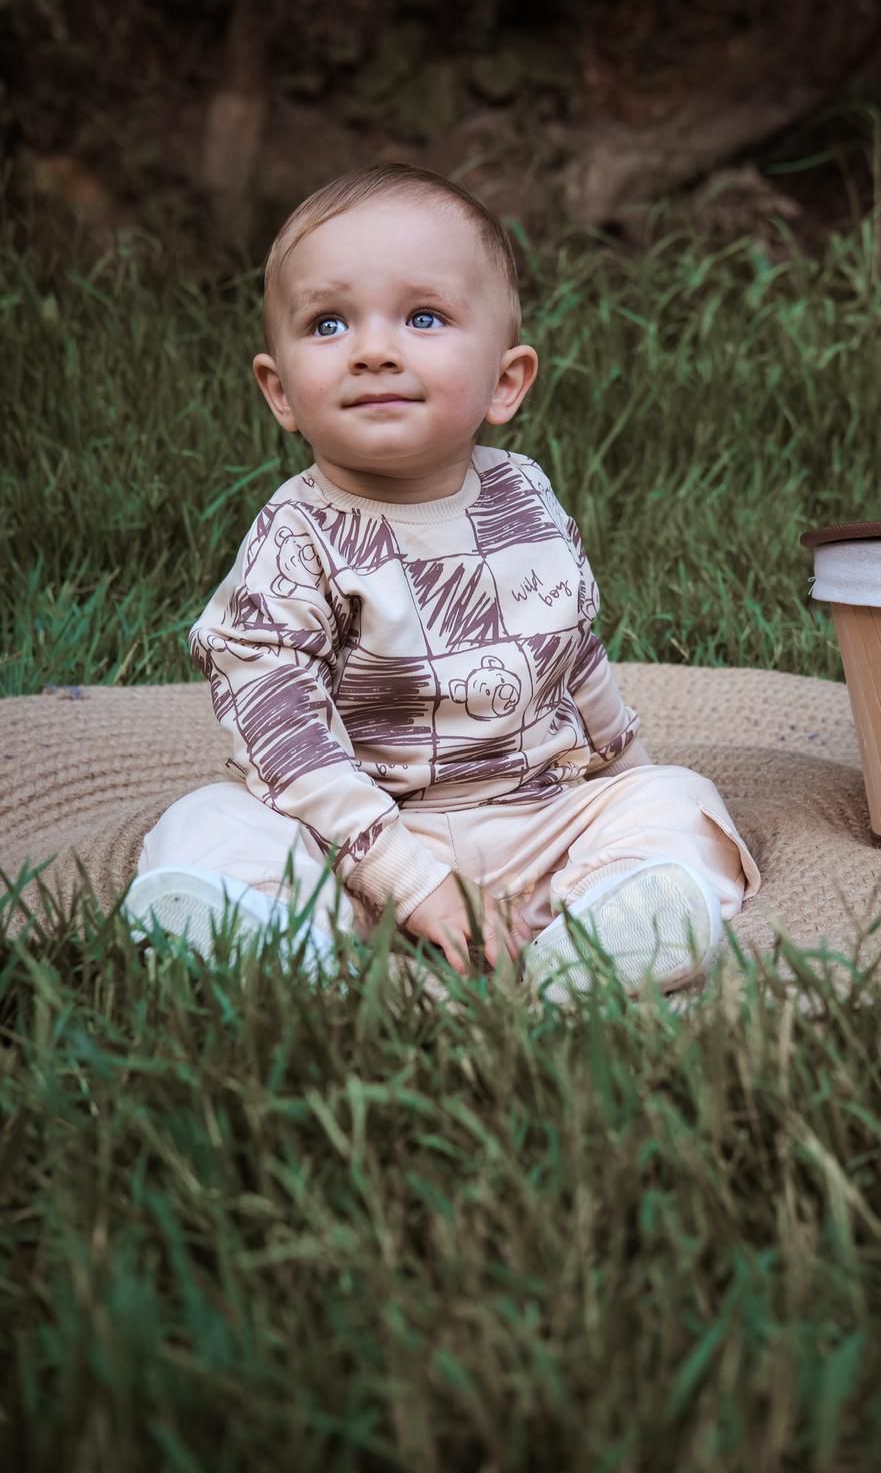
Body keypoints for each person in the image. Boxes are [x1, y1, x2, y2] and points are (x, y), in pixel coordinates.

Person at [125, 164, 760, 999]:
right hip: (353, 838)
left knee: (682, 802)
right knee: (206, 824)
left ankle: (601, 929)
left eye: (423, 317)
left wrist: (625, 770)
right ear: (280, 392)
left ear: (506, 381)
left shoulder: (523, 496)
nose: (374, 349)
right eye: (328, 323)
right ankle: (273, 939)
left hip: (535, 820)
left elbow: (571, 650)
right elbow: (281, 728)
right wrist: (403, 874)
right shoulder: (299, 534)